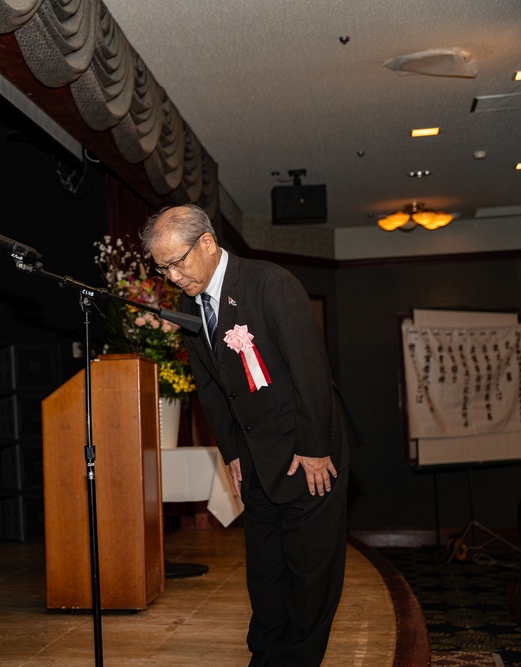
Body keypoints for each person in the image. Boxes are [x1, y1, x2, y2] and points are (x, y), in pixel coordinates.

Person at [141, 204, 360, 666]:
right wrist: (233, 453)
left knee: (308, 578)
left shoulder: (269, 285)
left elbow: (311, 372)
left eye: (177, 262)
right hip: (257, 457)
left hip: (309, 453)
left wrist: (316, 450)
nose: (173, 276)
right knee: (265, 576)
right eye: (162, 268)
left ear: (206, 243)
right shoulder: (189, 306)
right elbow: (211, 387)